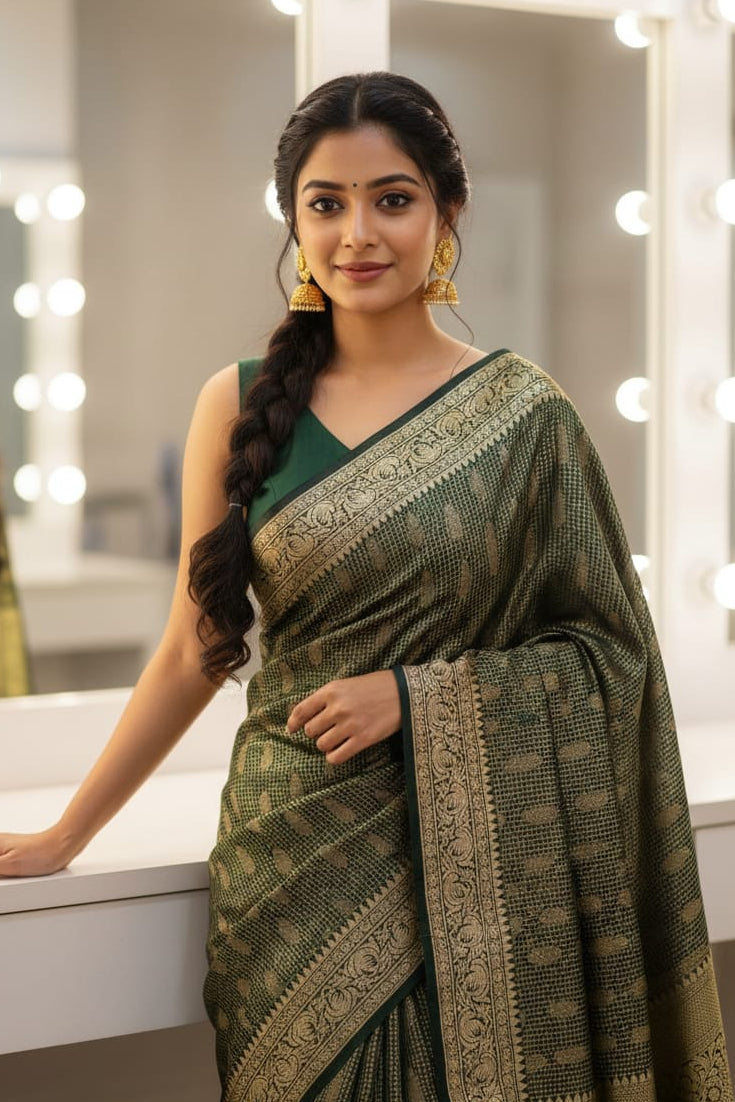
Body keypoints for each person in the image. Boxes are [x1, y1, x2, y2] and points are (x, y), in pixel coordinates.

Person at [0, 71, 731, 1102]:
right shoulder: (238, 402)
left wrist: (416, 697)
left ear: (447, 210)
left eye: (392, 199)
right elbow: (192, 651)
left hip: (480, 874)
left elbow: (612, 654)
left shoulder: (524, 416)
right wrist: (66, 833)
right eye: (326, 204)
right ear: (294, 222)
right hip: (288, 854)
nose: (358, 234)